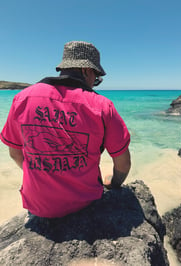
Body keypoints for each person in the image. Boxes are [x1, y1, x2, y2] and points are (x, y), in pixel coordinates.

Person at [0, 41, 131, 218]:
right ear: (87, 71)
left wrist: (42, 176)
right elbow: (123, 163)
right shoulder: (102, 106)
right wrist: (114, 183)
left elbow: (15, 154)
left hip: (38, 206)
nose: (94, 84)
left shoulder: (22, 98)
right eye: (97, 79)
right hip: (85, 203)